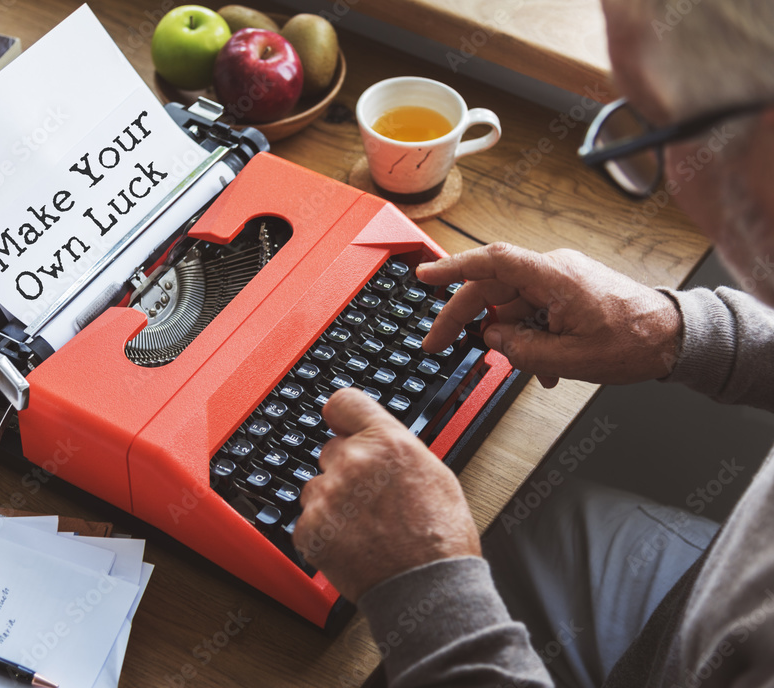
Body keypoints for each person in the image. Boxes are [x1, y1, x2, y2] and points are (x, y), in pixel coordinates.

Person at [291, 0, 774, 686]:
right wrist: (680, 329)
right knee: (544, 516)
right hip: (711, 589)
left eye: (659, 126)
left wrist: (427, 589)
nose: (675, 180)